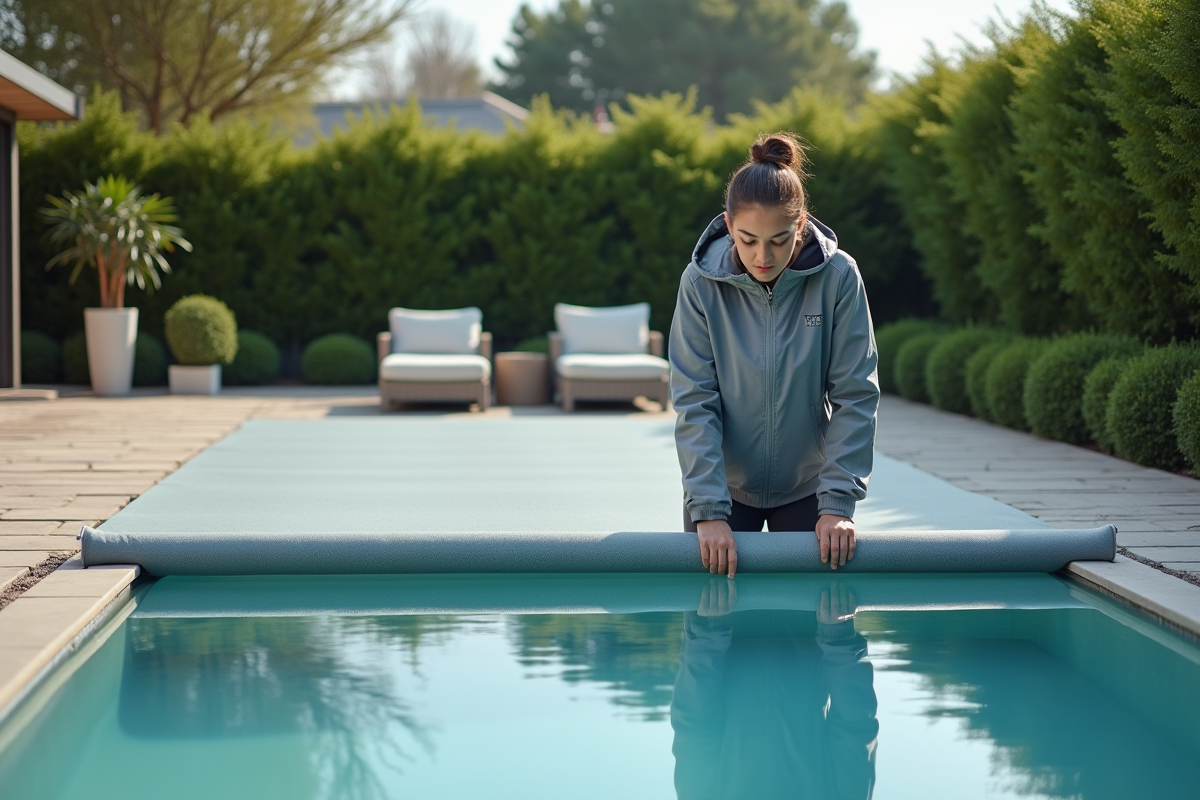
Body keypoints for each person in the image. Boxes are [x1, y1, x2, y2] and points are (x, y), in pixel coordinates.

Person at [670, 132, 879, 576]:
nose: (763, 256)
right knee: (711, 625)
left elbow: (856, 394)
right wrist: (707, 508)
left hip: (809, 490)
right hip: (721, 491)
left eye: (780, 240)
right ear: (728, 227)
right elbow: (694, 399)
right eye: (747, 240)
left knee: (810, 630)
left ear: (801, 226)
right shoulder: (699, 283)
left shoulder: (840, 277)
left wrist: (838, 500)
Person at [670, 579, 878, 800]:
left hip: (720, 622)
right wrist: (839, 640)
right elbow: (855, 729)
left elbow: (694, 732)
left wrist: (706, 636)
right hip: (814, 620)